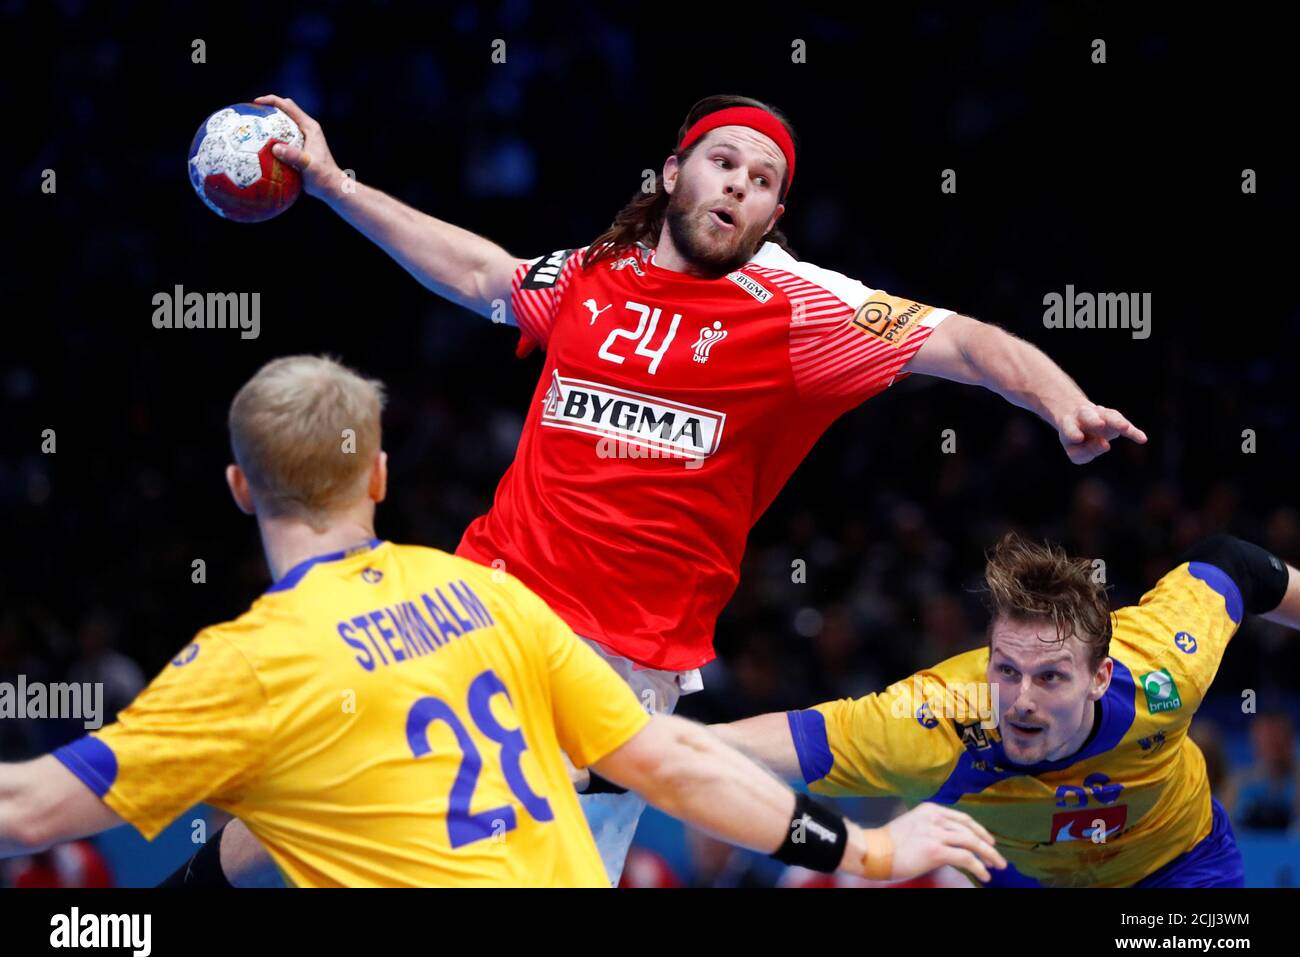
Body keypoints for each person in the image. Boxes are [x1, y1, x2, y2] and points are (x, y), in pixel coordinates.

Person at [252, 90, 1145, 882]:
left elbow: (966, 340)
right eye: (723, 163)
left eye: (761, 181)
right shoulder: (596, 269)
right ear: (676, 171)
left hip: (623, 662)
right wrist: (333, 184)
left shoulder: (799, 307)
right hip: (492, 597)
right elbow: (485, 275)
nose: (737, 186)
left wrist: (1061, 400)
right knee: (349, 787)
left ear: (773, 211)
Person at [0, 355, 1003, 887]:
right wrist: (869, 852)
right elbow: (671, 762)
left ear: (236, 486)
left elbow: (28, 812)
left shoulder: (247, 667)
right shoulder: (486, 592)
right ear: (380, 475)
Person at [712, 532, 1300, 886]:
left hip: (1180, 866)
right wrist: (638, 744)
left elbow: (1235, 563)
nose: (1020, 700)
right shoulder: (936, 721)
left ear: (1099, 677)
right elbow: (796, 738)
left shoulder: (1164, 663)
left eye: (1049, 677)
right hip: (1024, 878)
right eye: (1007, 670)